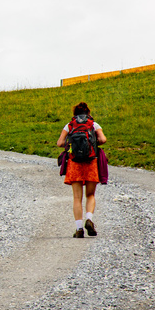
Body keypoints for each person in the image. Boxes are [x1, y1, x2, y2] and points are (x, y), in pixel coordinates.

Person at [56, 102, 107, 238]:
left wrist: (70, 143)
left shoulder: (70, 125)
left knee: (77, 198)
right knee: (90, 195)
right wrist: (95, 142)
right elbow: (103, 139)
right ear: (88, 113)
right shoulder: (94, 125)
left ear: (75, 114)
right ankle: (89, 219)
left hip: (74, 163)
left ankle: (79, 229)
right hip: (91, 162)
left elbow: (60, 143)